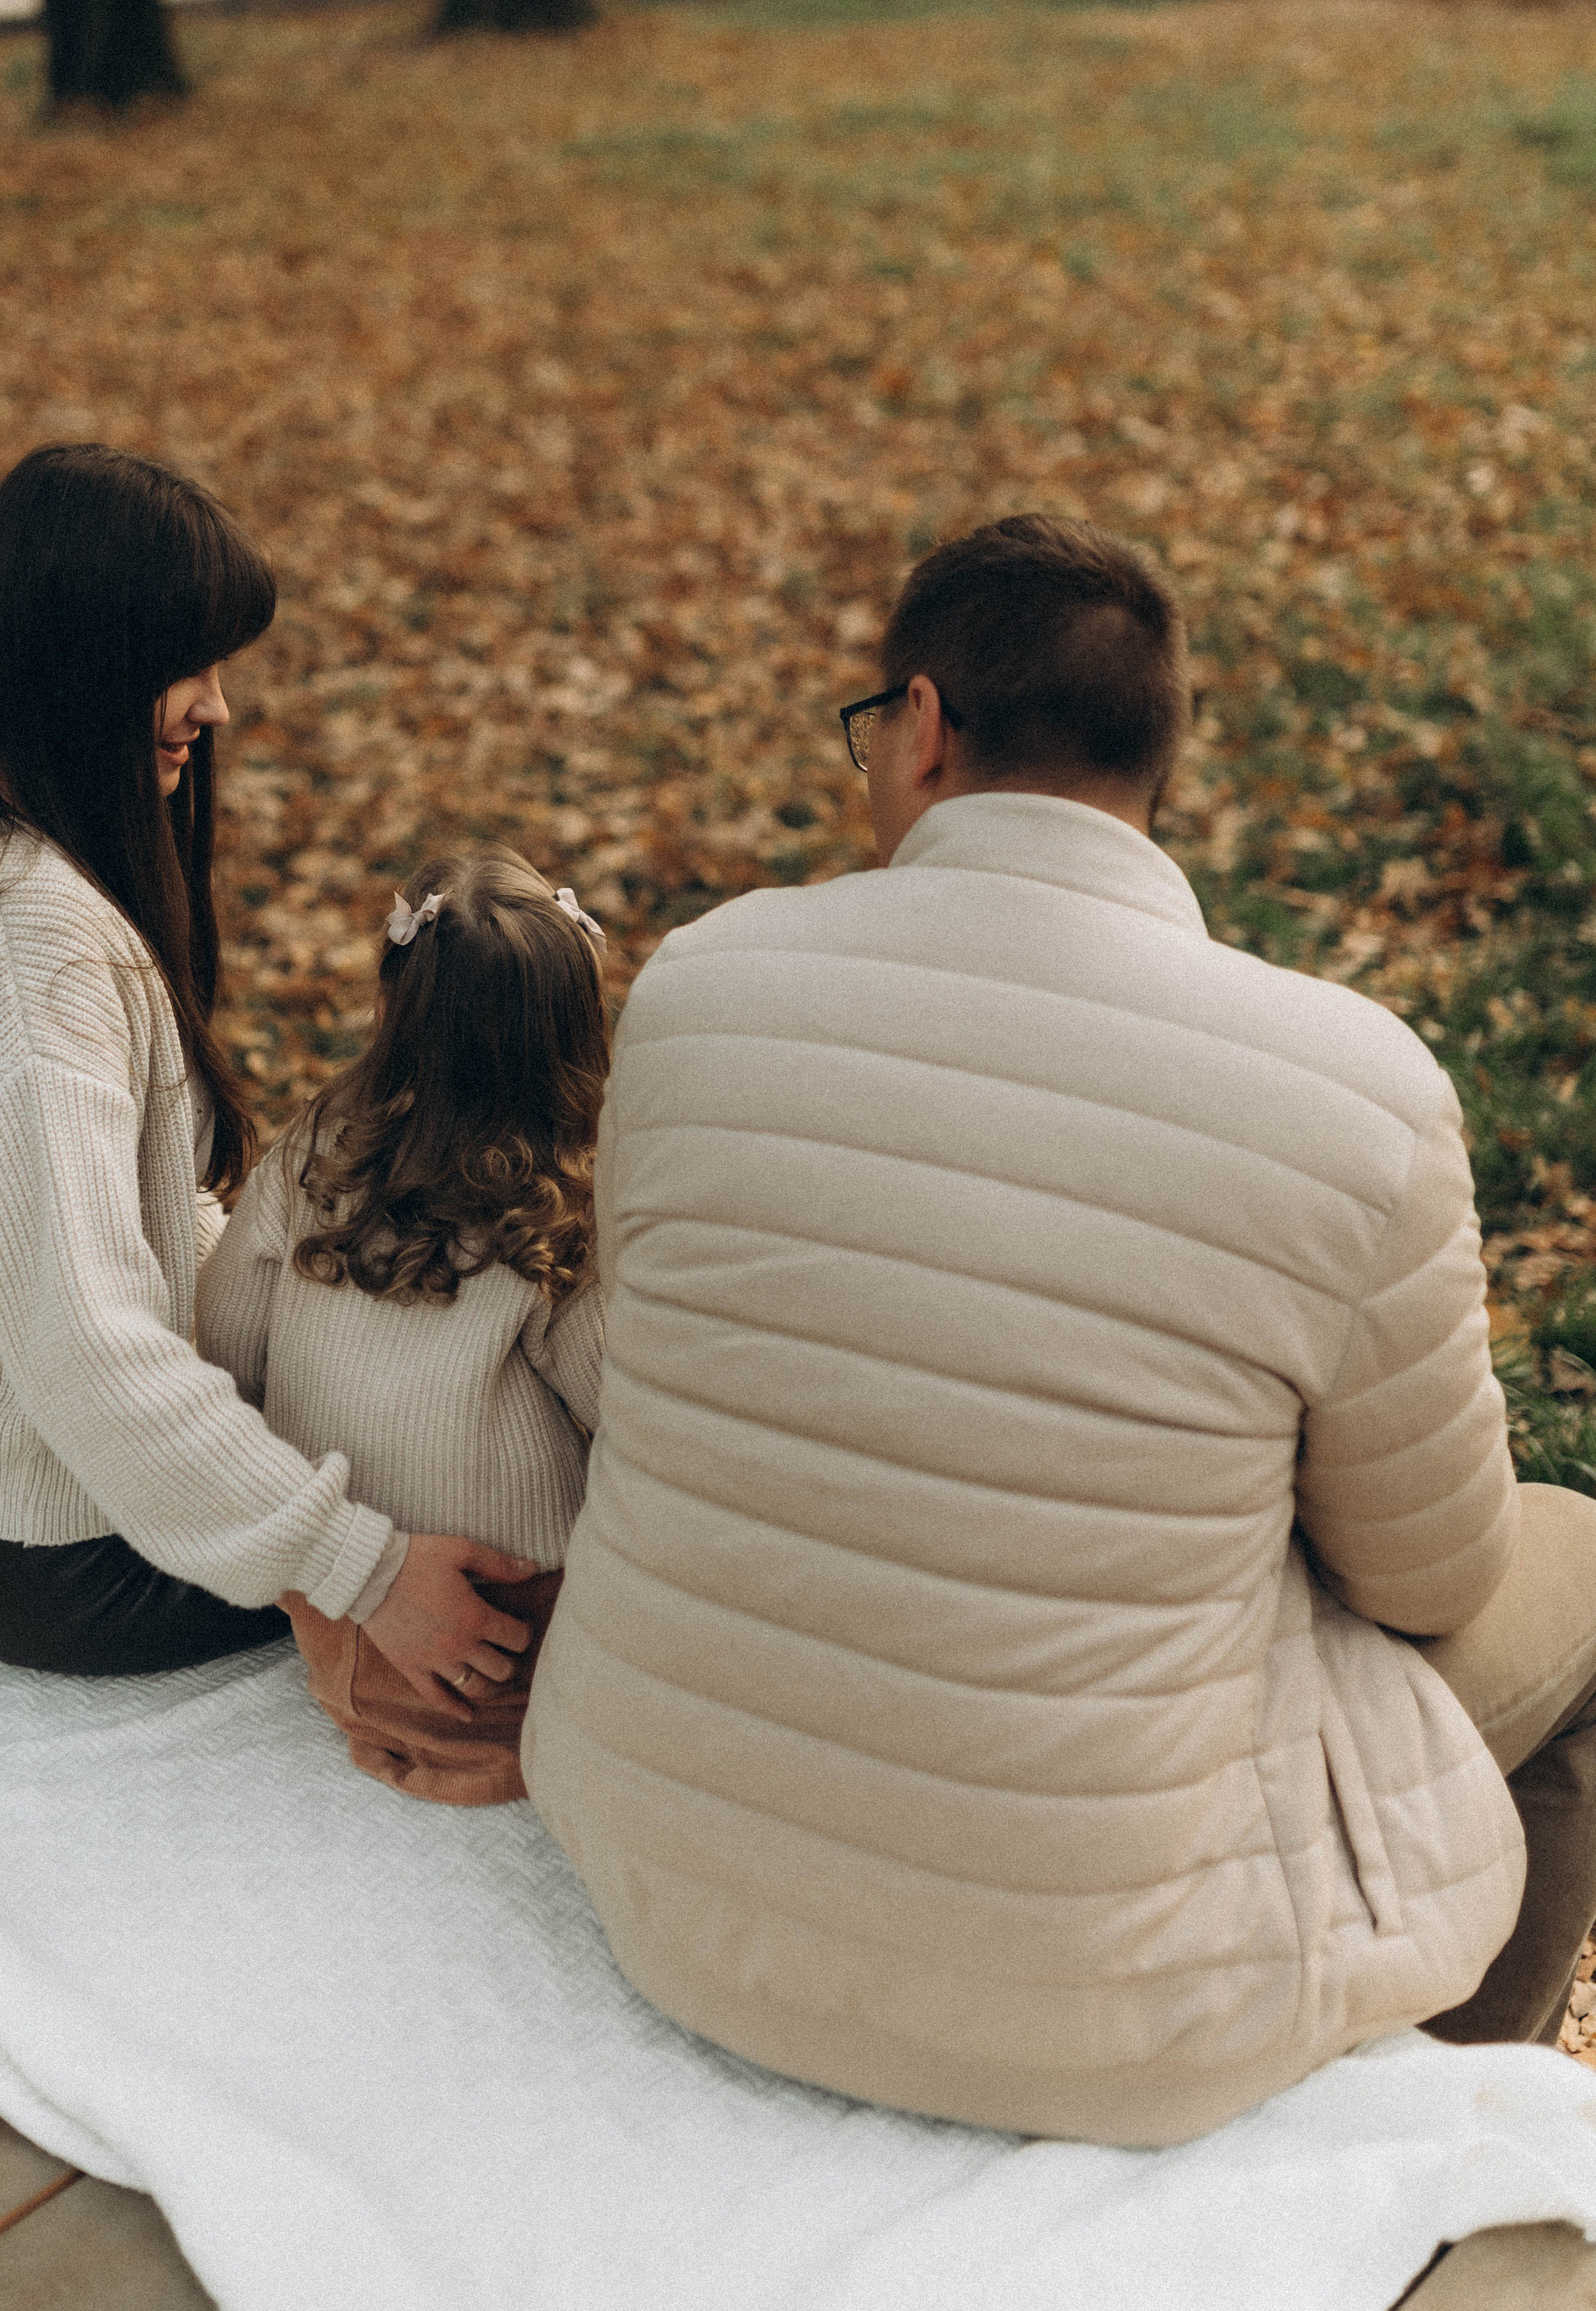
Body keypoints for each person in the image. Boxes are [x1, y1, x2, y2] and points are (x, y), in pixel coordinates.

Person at [525, 510, 1596, 2147]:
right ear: (1152, 759)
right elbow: (1430, 1575)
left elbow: (646, 1375)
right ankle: (1424, 2160)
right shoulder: (1348, 1093)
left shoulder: (698, 987)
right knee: (1576, 1564)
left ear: (923, 723)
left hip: (672, 1887)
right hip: (1096, 2001)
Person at [0, 444, 537, 1691]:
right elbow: (92, 1348)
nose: (218, 705)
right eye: (180, 667)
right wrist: (361, 1566)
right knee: (500, 1496)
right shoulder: (29, 952)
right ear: (74, 663)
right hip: (46, 1557)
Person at [198, 852, 608, 1801]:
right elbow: (637, 1414)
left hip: (339, 1613)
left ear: (392, 1009)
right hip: (503, 1631)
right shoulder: (559, 1224)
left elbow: (221, 1348)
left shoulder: (310, 1157)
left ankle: (385, 1730)